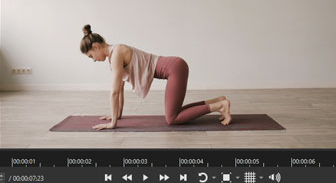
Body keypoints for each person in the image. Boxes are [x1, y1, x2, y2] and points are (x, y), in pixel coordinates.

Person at [80, 25, 231, 130]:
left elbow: (114, 92)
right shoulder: (114, 56)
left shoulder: (116, 53)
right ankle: (217, 101)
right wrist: (117, 116)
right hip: (175, 67)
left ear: (96, 47)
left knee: (172, 118)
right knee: (175, 111)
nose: (93, 60)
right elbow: (119, 89)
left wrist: (112, 123)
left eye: (91, 56)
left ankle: (219, 106)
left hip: (174, 68)